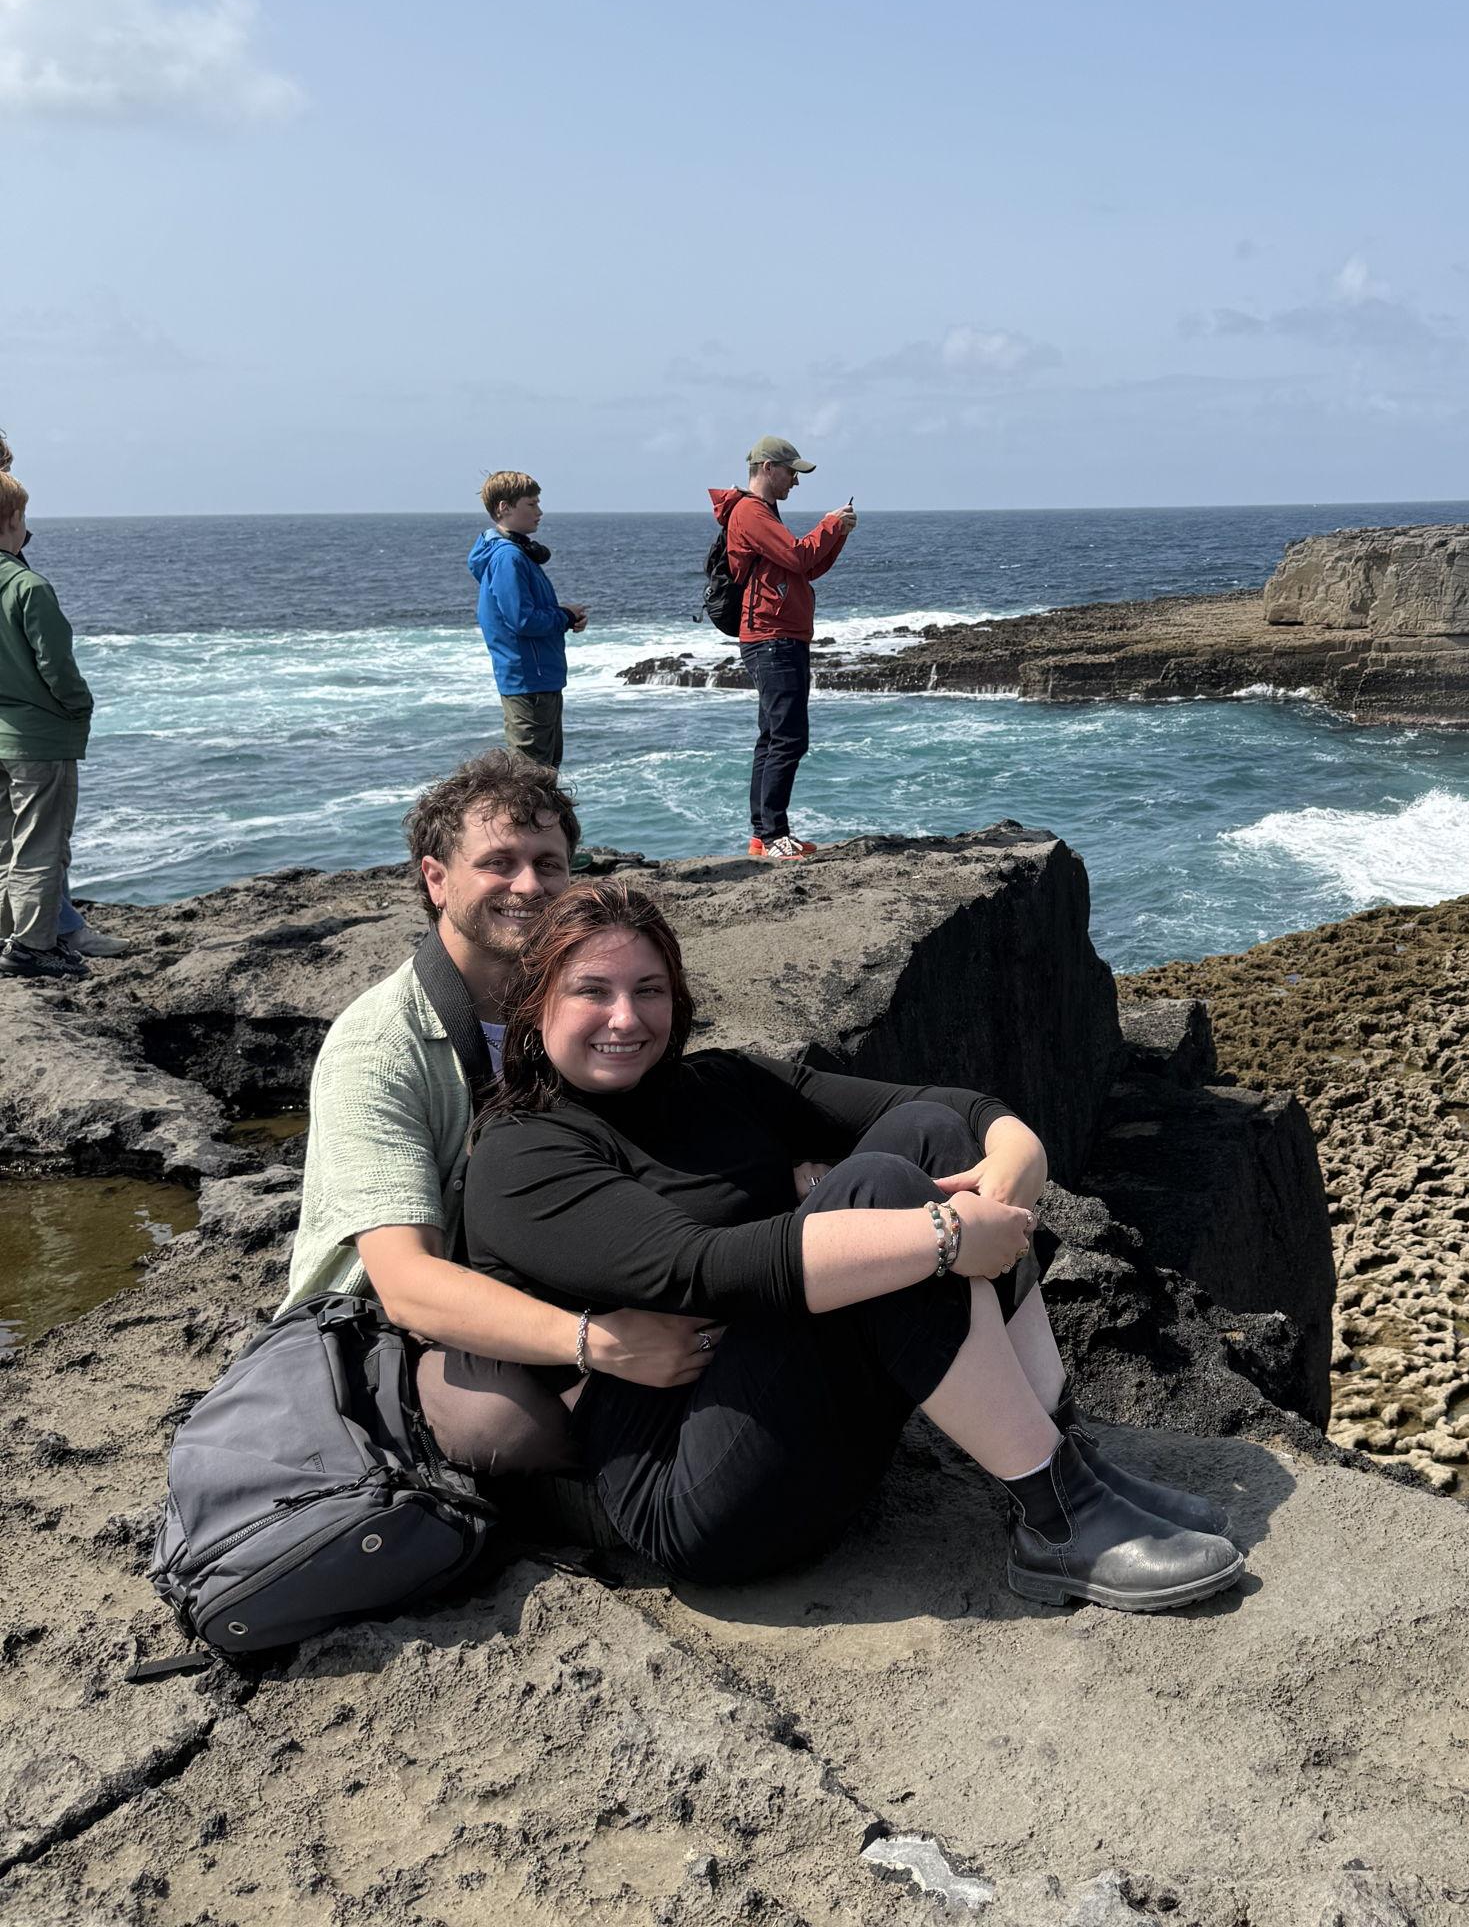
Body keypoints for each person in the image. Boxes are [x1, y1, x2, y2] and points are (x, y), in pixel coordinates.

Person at [461, 878, 1244, 1611]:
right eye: (591, 992)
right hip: (695, 1492)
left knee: (923, 1136)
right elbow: (698, 1267)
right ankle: (1057, 1520)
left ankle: (1062, 1459)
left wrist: (1014, 1152)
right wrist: (940, 1237)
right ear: (534, 1010)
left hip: (797, 1426)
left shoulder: (719, 1085)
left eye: (649, 990)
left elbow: (944, 1109)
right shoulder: (521, 1153)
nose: (626, 1018)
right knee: (879, 1190)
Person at [281, 751, 712, 1473]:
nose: (529, 885)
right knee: (499, 1427)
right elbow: (408, 1283)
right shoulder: (379, 1045)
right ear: (436, 879)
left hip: (545, 1260)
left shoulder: (576, 999)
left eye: (549, 863)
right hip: (407, 1321)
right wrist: (597, 1341)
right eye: (499, 863)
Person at [710, 436, 854, 859]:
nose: (795, 480)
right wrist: (830, 523)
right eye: (791, 471)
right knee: (789, 738)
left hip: (777, 634)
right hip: (771, 637)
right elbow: (796, 556)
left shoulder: (762, 512)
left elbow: (807, 566)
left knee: (773, 738)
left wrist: (837, 533)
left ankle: (764, 833)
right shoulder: (750, 512)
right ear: (768, 468)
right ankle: (774, 835)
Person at [0, 470, 94, 981]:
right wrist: (79, 707)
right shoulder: (28, 586)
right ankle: (33, 949)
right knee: (40, 845)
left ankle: (7, 935)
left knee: (4, 843)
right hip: (36, 737)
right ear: (12, 518)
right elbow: (56, 666)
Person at [469, 471, 587, 772]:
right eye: (531, 504)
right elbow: (522, 620)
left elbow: (521, 612)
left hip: (535, 676)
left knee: (541, 772)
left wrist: (564, 617)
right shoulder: (509, 558)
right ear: (504, 508)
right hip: (529, 679)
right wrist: (563, 616)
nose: (540, 512)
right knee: (531, 776)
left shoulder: (509, 554)